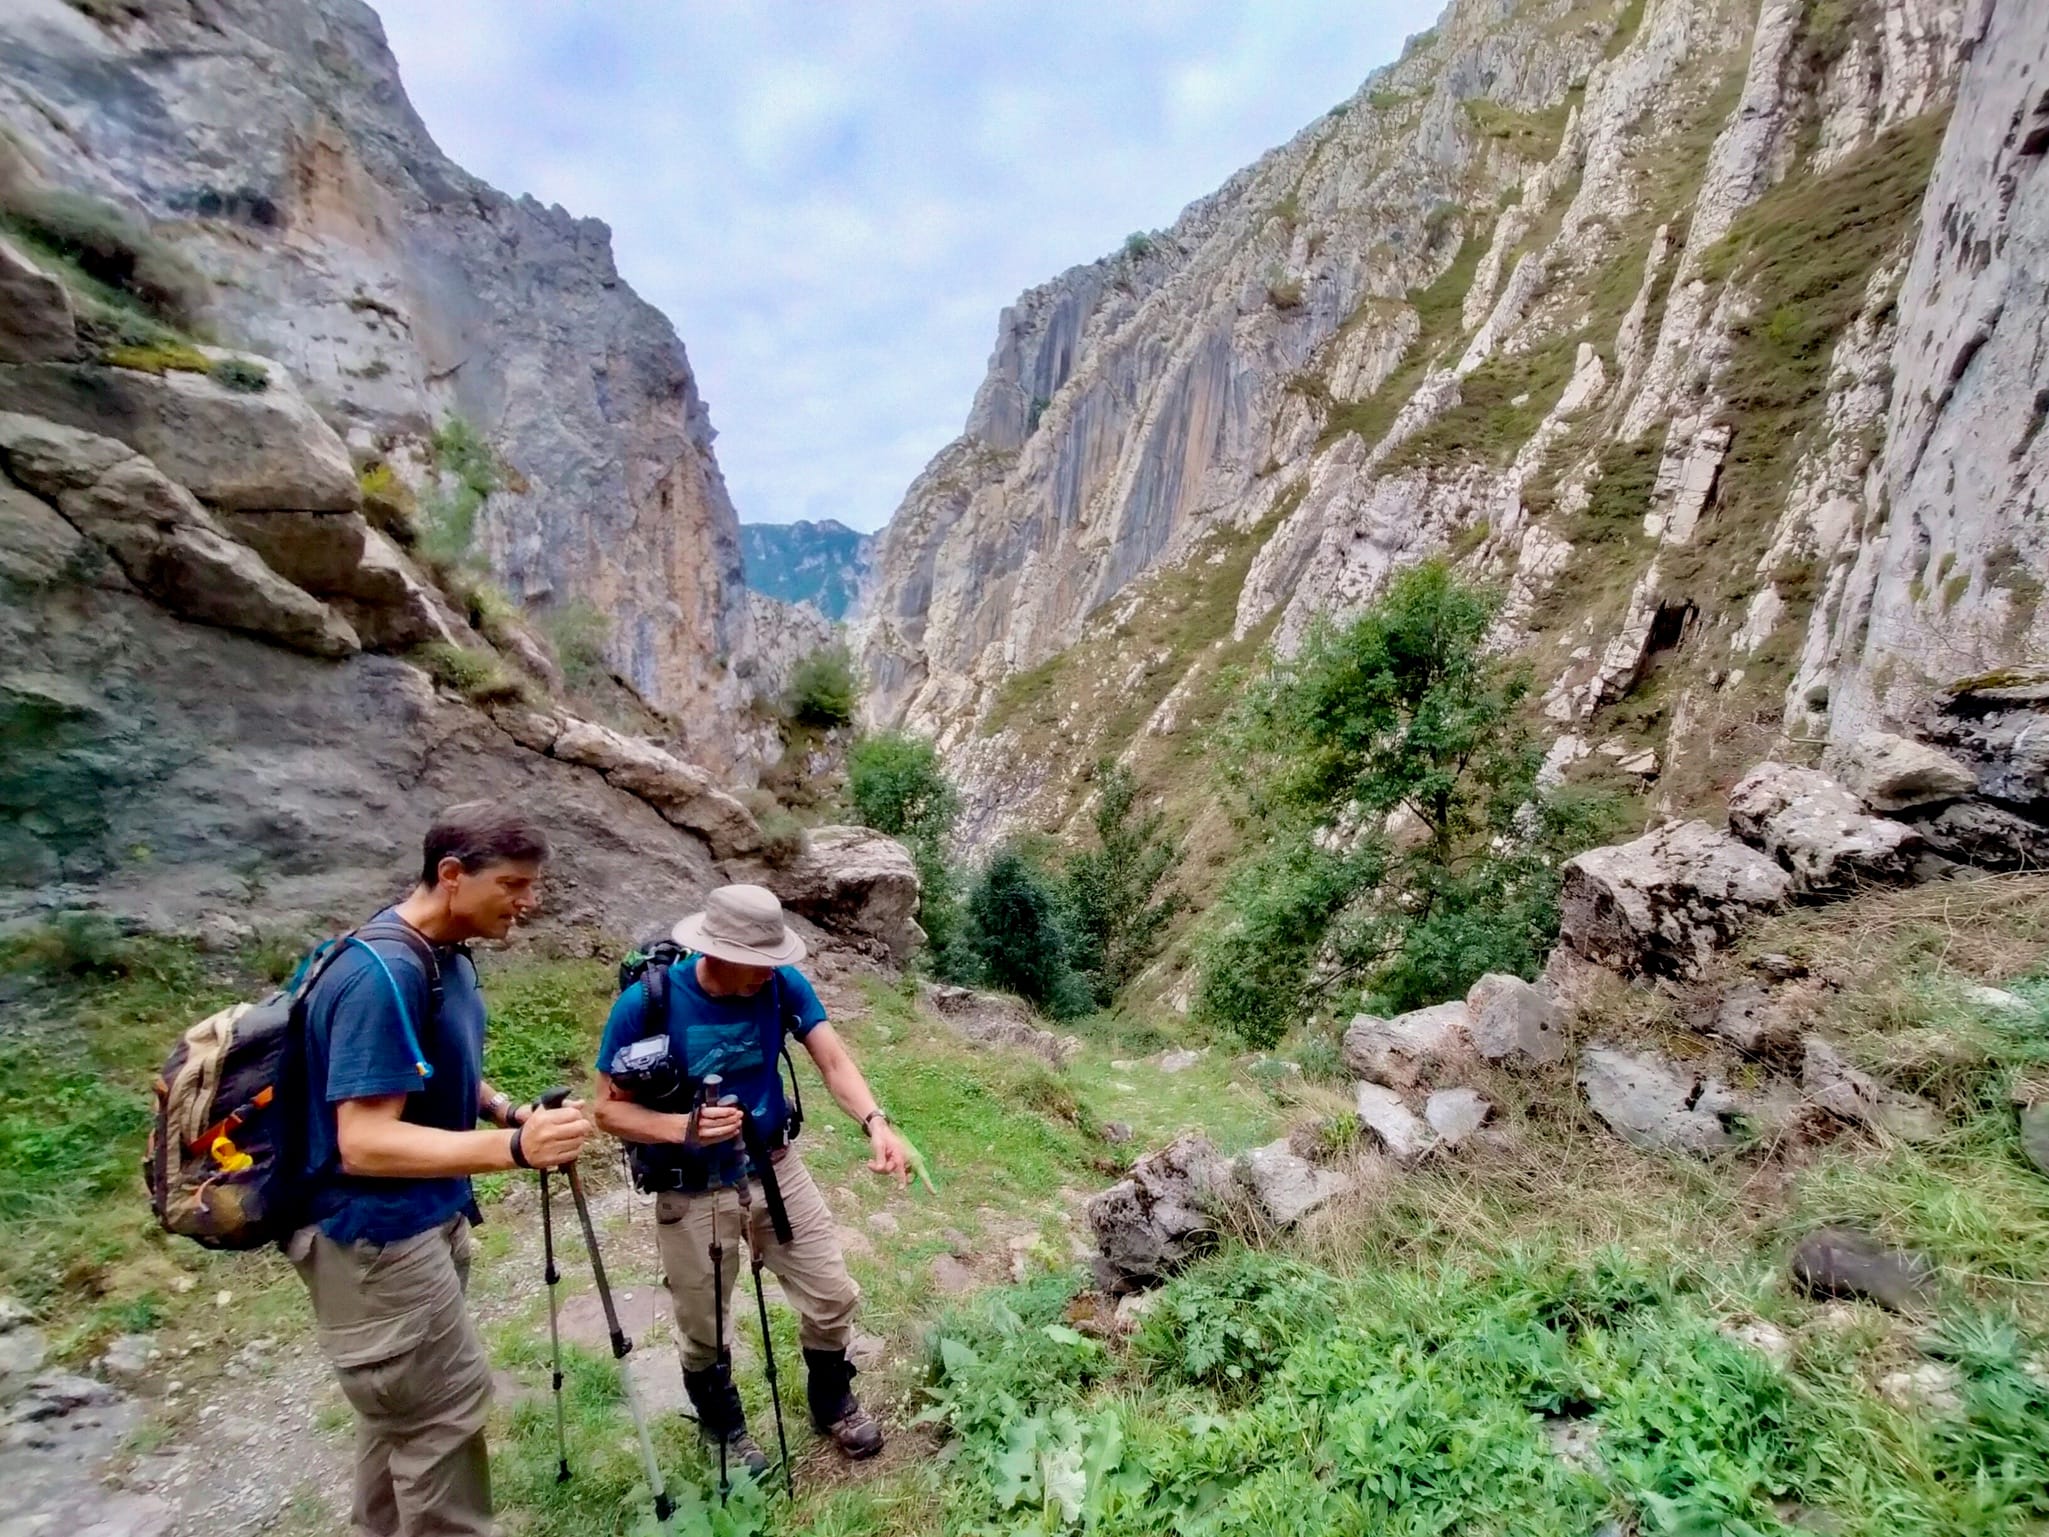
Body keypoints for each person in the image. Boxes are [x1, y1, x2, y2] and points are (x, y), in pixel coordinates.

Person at [289, 801, 590, 1537]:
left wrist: (503, 1111)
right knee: (443, 1419)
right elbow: (363, 1140)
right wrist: (516, 1151)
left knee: (406, 1419)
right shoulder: (383, 971)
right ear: (451, 875)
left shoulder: (442, 955)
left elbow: (430, 1064)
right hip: (376, 1243)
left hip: (422, 1224)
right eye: (514, 883)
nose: (530, 900)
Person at [593, 883, 911, 1471]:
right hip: (690, 1184)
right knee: (705, 1324)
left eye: (775, 961)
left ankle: (831, 1399)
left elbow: (833, 1060)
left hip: (773, 1164)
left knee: (831, 1293)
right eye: (759, 962)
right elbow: (607, 1109)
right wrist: (682, 1128)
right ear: (714, 950)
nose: (771, 972)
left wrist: (876, 1122)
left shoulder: (780, 986)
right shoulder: (647, 1004)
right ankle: (725, 1427)